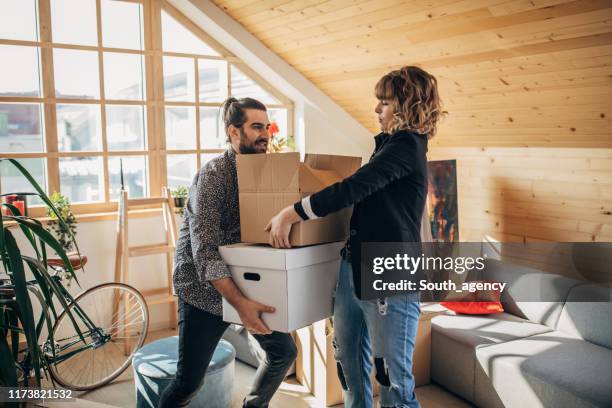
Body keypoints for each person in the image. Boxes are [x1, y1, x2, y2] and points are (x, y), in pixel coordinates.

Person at [266, 66, 445, 408]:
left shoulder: (407, 146)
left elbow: (353, 188)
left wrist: (293, 213)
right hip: (354, 266)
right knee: (347, 358)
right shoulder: (388, 146)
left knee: (392, 378)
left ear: (408, 106)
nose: (377, 109)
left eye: (385, 102)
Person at [160, 97, 297, 408]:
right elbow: (205, 254)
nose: (266, 134)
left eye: (267, 127)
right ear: (234, 132)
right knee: (188, 382)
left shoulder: (268, 172)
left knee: (284, 352)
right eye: (256, 127)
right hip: (202, 289)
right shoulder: (212, 177)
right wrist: (242, 307)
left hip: (248, 280)